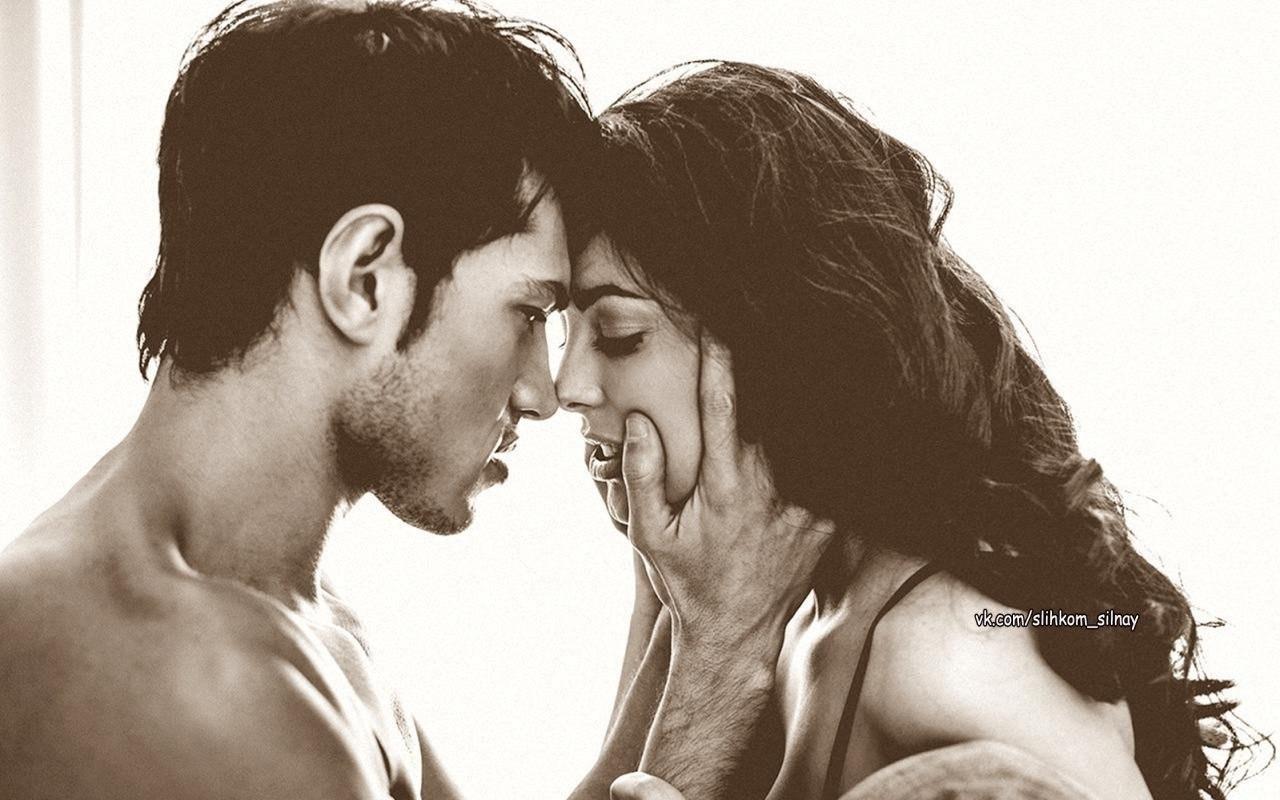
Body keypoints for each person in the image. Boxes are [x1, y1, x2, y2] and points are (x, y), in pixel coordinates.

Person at [0, 6, 832, 799]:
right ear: (364, 277)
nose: (544, 394)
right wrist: (726, 661)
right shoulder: (185, 684)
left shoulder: (279, 603)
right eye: (529, 313)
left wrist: (681, 605)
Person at [557, 61, 1261, 800]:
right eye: (560, 332)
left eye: (618, 334)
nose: (565, 386)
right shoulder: (794, 606)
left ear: (775, 347)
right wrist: (673, 605)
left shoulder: (943, 657)